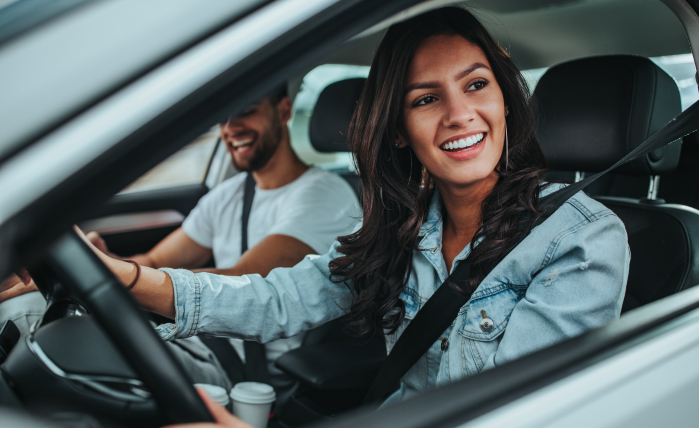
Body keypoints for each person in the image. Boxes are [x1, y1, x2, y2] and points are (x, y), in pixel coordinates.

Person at [76, 6, 628, 425]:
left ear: (505, 100)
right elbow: (275, 299)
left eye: (476, 85)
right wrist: (120, 277)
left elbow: (500, 415)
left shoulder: (581, 242)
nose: (461, 114)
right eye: (425, 99)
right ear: (398, 131)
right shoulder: (402, 231)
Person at [0, 85, 361, 400]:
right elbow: (154, 259)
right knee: (36, 308)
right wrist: (97, 259)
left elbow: (242, 279)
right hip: (191, 335)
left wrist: (107, 274)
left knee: (28, 318)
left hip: (243, 371)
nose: (231, 128)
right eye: (222, 118)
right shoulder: (230, 193)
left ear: (283, 111)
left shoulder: (324, 197)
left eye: (246, 111)